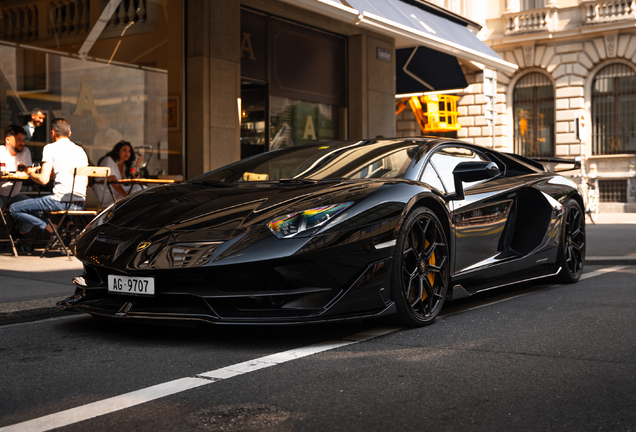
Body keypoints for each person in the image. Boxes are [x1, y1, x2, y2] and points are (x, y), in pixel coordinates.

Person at [10, 118, 88, 236]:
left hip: (60, 202)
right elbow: (85, 182)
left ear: (52, 133)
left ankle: (52, 229)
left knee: (14, 209)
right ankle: (69, 224)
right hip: (80, 204)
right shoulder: (80, 150)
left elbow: (43, 180)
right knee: (54, 198)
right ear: (69, 133)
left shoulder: (50, 148)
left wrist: (30, 173)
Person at [94, 140, 143, 207]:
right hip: (107, 192)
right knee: (137, 189)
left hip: (118, 191)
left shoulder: (125, 166)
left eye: (129, 151)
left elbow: (134, 182)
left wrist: (137, 165)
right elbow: (113, 181)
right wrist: (126, 197)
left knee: (141, 188)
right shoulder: (109, 160)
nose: (127, 153)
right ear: (117, 151)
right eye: (124, 150)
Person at [0, 125, 32, 209]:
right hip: (0, 195)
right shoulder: (1, 152)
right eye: (18, 140)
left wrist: (30, 172)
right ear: (8, 139)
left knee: (37, 210)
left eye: (23, 140)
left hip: (15, 196)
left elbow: (28, 172)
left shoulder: (25, 151)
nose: (22, 143)